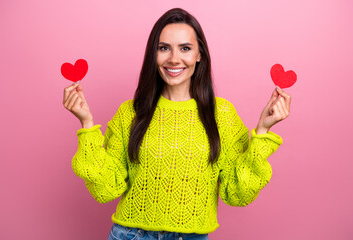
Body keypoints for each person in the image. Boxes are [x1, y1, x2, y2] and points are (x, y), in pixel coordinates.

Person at [63, 8, 291, 240]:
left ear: (199, 54)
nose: (174, 58)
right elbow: (106, 188)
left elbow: (237, 193)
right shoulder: (130, 113)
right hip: (130, 235)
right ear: (154, 54)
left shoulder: (221, 114)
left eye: (185, 48)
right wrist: (86, 122)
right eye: (164, 48)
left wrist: (263, 130)